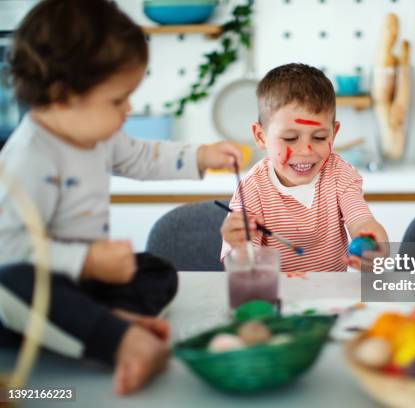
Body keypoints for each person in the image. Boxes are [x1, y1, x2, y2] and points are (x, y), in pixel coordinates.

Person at [0, 0, 242, 396]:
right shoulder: (29, 156)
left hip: (87, 287)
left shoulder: (99, 135)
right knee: (10, 284)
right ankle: (122, 340)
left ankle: (99, 322)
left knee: (157, 271)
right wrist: (89, 260)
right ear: (64, 94)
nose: (128, 109)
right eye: (117, 100)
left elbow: (144, 157)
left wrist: (200, 155)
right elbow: (10, 251)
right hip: (37, 287)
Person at [220, 63, 388, 272]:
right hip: (276, 297)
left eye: (319, 137)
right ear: (261, 136)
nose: (306, 151)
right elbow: (241, 266)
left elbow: (362, 221)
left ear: (334, 134)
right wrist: (238, 245)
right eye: (290, 138)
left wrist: (374, 244)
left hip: (332, 299)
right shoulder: (253, 188)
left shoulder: (339, 174)